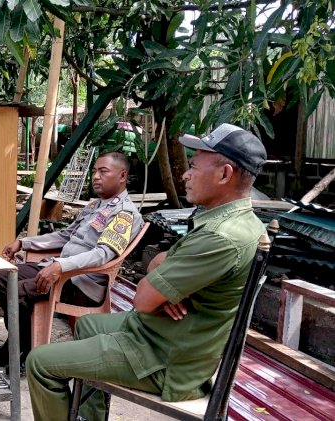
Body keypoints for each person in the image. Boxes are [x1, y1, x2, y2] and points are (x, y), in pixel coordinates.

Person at [26, 124, 267, 421]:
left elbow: (142, 298)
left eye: (192, 167)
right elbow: (157, 263)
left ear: (224, 174)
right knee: (88, 326)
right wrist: (162, 287)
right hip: (161, 331)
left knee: (39, 362)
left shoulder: (221, 236)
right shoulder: (224, 220)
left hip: (165, 357)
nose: (185, 174)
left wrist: (156, 288)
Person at [0, 152, 144, 369]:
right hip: (62, 270)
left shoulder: (124, 214)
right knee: (1, 279)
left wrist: (61, 265)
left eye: (103, 171)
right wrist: (24, 243)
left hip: (82, 282)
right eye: (94, 171)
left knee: (19, 290)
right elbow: (65, 236)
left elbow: (103, 254)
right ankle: (21, 342)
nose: (96, 177)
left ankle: (25, 351)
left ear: (122, 176)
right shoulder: (94, 206)